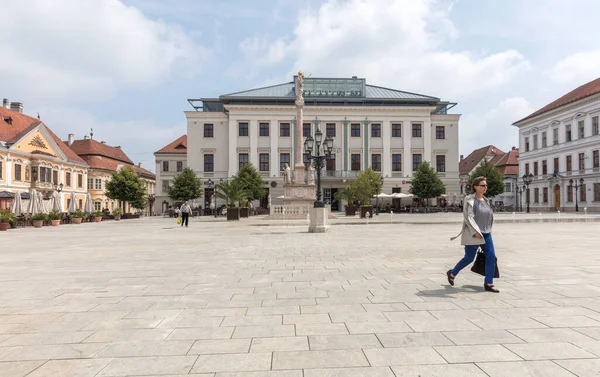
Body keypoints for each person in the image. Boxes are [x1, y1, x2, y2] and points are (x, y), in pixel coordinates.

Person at [448, 176, 499, 293]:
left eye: (486, 185)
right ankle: (452, 272)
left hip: (486, 233)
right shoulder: (469, 199)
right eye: (482, 185)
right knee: (469, 258)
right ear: (475, 187)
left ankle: (489, 283)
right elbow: (468, 217)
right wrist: (475, 231)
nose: (485, 187)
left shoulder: (485, 200)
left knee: (491, 257)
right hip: (474, 234)